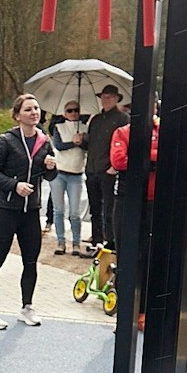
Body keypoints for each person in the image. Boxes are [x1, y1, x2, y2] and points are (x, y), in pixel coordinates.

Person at [0, 93, 57, 329]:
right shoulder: (6, 141)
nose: (34, 113)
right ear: (17, 115)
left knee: (31, 262)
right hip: (5, 210)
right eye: (28, 109)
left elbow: (50, 175)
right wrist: (15, 185)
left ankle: (27, 307)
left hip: (31, 212)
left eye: (36, 108)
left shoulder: (44, 141)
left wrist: (51, 168)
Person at [80, 84, 128, 249]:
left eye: (109, 97)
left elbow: (125, 145)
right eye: (103, 97)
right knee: (94, 209)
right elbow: (91, 144)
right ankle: (97, 241)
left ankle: (111, 242)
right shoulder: (95, 120)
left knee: (109, 209)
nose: (105, 100)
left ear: (116, 98)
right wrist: (82, 140)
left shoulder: (123, 119)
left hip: (108, 170)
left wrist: (113, 168)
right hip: (92, 169)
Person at [46, 100, 87, 254]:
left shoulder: (85, 128)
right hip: (59, 172)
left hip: (76, 174)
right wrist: (74, 142)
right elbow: (59, 145)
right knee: (58, 210)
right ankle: (60, 242)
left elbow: (88, 145)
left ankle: (76, 243)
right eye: (69, 111)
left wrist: (81, 142)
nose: (73, 113)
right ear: (64, 113)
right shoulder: (58, 127)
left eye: (76, 110)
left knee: (75, 212)